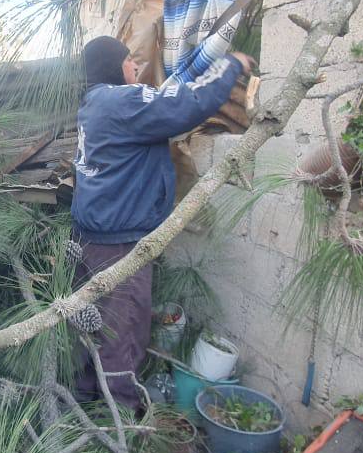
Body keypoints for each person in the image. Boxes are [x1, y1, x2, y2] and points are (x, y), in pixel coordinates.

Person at [71, 35, 253, 411]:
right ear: (114, 66)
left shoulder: (93, 104)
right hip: (120, 244)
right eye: (129, 61)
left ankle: (86, 398)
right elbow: (187, 104)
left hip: (93, 236)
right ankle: (119, 419)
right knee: (123, 331)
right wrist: (231, 65)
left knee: (94, 325)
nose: (136, 67)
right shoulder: (122, 101)